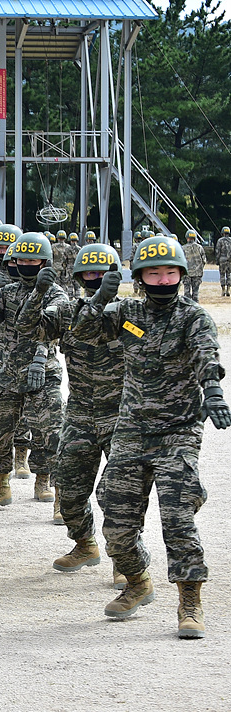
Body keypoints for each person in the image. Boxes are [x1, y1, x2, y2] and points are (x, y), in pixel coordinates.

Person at [71, 235, 228, 638]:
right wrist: (96, 299)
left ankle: (189, 599)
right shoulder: (127, 313)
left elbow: (205, 353)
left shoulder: (193, 317)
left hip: (177, 431)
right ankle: (137, 581)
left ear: (181, 274)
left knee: (177, 518)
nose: (162, 280)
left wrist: (212, 391)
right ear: (140, 277)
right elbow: (83, 333)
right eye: (153, 273)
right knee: (117, 524)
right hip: (131, 430)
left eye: (170, 272)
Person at [16, 242, 124, 574]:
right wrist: (37, 293)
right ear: (78, 276)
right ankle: (84, 544)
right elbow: (25, 328)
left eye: (103, 273)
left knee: (119, 495)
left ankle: (125, 560)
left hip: (121, 415)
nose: (96, 279)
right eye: (89, 273)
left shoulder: (130, 313)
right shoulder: (66, 312)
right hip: (80, 414)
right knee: (69, 488)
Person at [0, 233, 67, 513]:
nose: (25, 264)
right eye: (21, 259)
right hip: (8, 373)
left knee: (50, 433)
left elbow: (43, 327)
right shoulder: (7, 292)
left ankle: (52, 488)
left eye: (31, 259)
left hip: (43, 373)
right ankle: (0, 485)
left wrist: (39, 357)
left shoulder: (56, 292)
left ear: (44, 262)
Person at [182, 230, 206, 301]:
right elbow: (204, 260)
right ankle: (195, 304)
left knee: (186, 291)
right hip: (197, 272)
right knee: (195, 291)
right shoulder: (199, 247)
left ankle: (187, 304)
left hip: (187, 273)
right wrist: (200, 268)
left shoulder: (183, 248)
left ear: (187, 237)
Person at [215, 226, 231, 297]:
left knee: (222, 275)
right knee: (229, 275)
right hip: (230, 260)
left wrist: (217, 260)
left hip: (222, 259)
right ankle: (228, 290)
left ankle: (223, 290)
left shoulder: (220, 241)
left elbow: (217, 251)